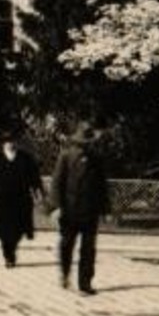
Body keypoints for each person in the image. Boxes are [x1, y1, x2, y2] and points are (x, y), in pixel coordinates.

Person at [51, 125, 111, 294]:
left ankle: (85, 283)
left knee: (89, 249)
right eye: (82, 143)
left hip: (90, 211)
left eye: (88, 143)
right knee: (66, 245)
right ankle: (65, 274)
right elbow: (57, 183)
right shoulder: (66, 156)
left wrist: (106, 210)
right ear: (76, 142)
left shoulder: (97, 159)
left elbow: (102, 186)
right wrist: (56, 207)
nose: (85, 146)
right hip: (70, 210)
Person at [0, 132, 43, 267]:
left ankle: (12, 249)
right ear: (3, 143)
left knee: (18, 229)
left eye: (13, 141)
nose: (10, 143)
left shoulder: (25, 158)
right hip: (1, 200)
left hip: (21, 200)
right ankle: (8, 255)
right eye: (7, 141)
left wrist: (38, 191)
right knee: (5, 230)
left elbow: (34, 177)